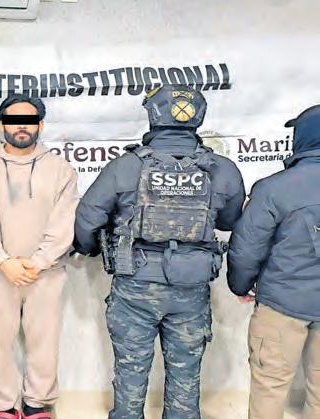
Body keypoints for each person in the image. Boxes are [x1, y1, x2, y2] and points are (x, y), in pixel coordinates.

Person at [74, 85, 245, 419]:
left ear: (153, 115)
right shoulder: (221, 168)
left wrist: (89, 248)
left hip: (135, 284)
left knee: (130, 371)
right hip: (191, 287)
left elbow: (87, 219)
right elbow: (229, 220)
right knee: (186, 374)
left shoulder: (126, 166)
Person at [0, 94, 79, 419]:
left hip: (46, 273)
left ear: (40, 125)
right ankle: (3, 406)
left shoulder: (60, 169)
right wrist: (3, 261)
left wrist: (38, 262)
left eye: (29, 121)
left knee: (44, 343)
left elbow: (64, 222)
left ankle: (36, 404)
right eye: (14, 120)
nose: (21, 127)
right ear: (1, 124)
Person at [227, 105, 320, 419]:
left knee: (270, 386)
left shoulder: (274, 188)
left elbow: (245, 248)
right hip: (287, 301)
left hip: (282, 304)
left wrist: (240, 285)